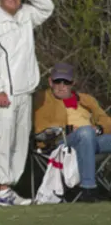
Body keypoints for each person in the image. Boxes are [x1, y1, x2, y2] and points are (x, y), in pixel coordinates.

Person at [0, 0, 54, 206]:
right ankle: (1, 189)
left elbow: (48, 7)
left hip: (25, 91)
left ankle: (8, 189)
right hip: (5, 94)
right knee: (4, 139)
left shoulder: (26, 14)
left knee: (20, 141)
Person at [33, 62, 111, 202]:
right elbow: (41, 130)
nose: (62, 86)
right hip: (62, 142)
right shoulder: (43, 99)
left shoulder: (87, 99)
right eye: (58, 81)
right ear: (51, 82)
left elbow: (106, 121)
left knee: (87, 133)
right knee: (85, 132)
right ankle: (88, 188)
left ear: (72, 83)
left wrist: (98, 129)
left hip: (91, 139)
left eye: (66, 82)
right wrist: (68, 129)